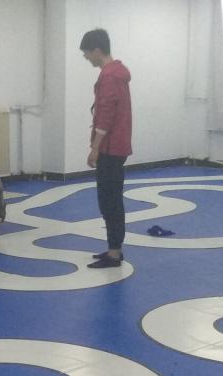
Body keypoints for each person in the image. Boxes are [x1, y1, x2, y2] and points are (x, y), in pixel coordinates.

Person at [81, 29, 132, 269]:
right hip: (116, 146)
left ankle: (114, 252)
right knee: (110, 198)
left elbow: (106, 115)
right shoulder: (116, 73)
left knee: (109, 200)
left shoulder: (110, 76)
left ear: (97, 51)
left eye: (87, 53)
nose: (86, 58)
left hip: (110, 148)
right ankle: (114, 248)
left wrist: (95, 148)